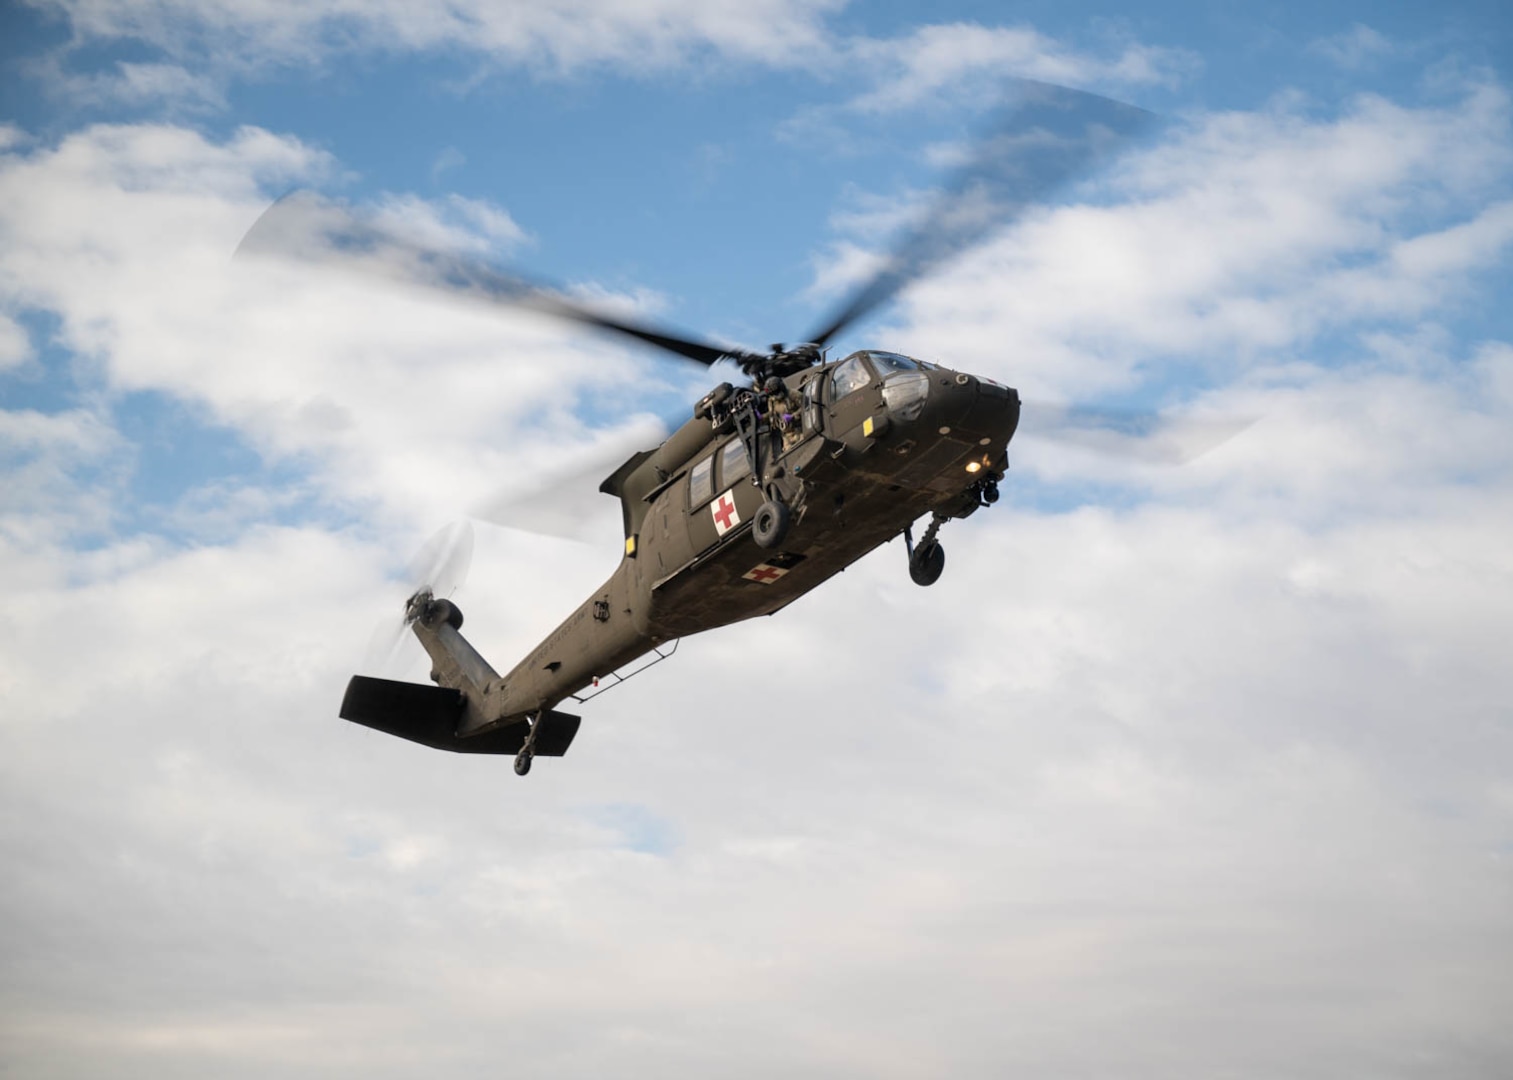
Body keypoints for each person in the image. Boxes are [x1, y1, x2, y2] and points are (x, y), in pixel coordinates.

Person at [763, 375, 804, 451]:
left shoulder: (793, 394)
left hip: (799, 431)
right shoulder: (772, 401)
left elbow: (807, 406)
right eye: (772, 394)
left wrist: (793, 416)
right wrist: (761, 417)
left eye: (776, 393)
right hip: (786, 436)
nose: (775, 396)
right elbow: (772, 414)